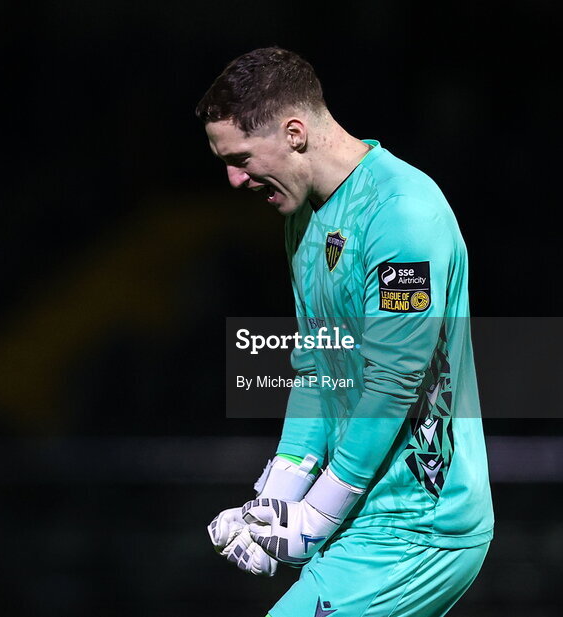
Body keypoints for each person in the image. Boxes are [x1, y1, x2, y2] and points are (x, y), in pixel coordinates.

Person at [198, 47, 494, 617]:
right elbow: (317, 367)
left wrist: (316, 515)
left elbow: (394, 380)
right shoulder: (304, 217)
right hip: (365, 521)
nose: (234, 179)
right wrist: (274, 501)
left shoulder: (402, 211)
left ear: (293, 133)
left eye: (239, 158)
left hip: (418, 528)